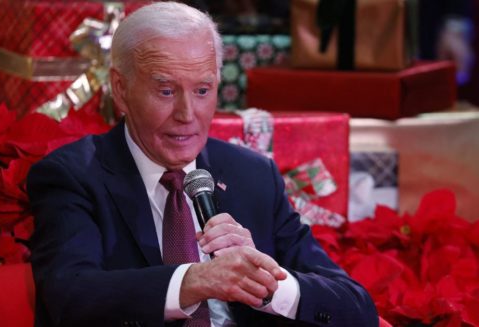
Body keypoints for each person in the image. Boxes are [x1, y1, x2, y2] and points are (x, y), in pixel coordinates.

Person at [27, 2, 378, 326]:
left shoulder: (253, 175)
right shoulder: (73, 175)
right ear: (120, 90)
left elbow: (356, 307)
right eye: (166, 91)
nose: (187, 115)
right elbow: (70, 298)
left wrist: (267, 285)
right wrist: (193, 281)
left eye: (202, 90)